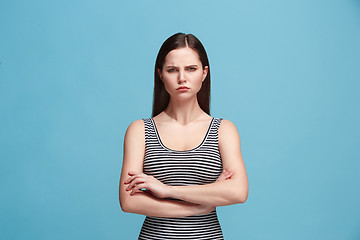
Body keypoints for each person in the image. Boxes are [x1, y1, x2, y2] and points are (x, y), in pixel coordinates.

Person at [119, 33, 248, 240]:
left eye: (191, 69)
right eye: (172, 70)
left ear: (204, 73)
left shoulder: (223, 130)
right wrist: (201, 205)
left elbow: (239, 192)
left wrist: (166, 190)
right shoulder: (140, 130)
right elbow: (129, 201)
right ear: (161, 75)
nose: (182, 78)